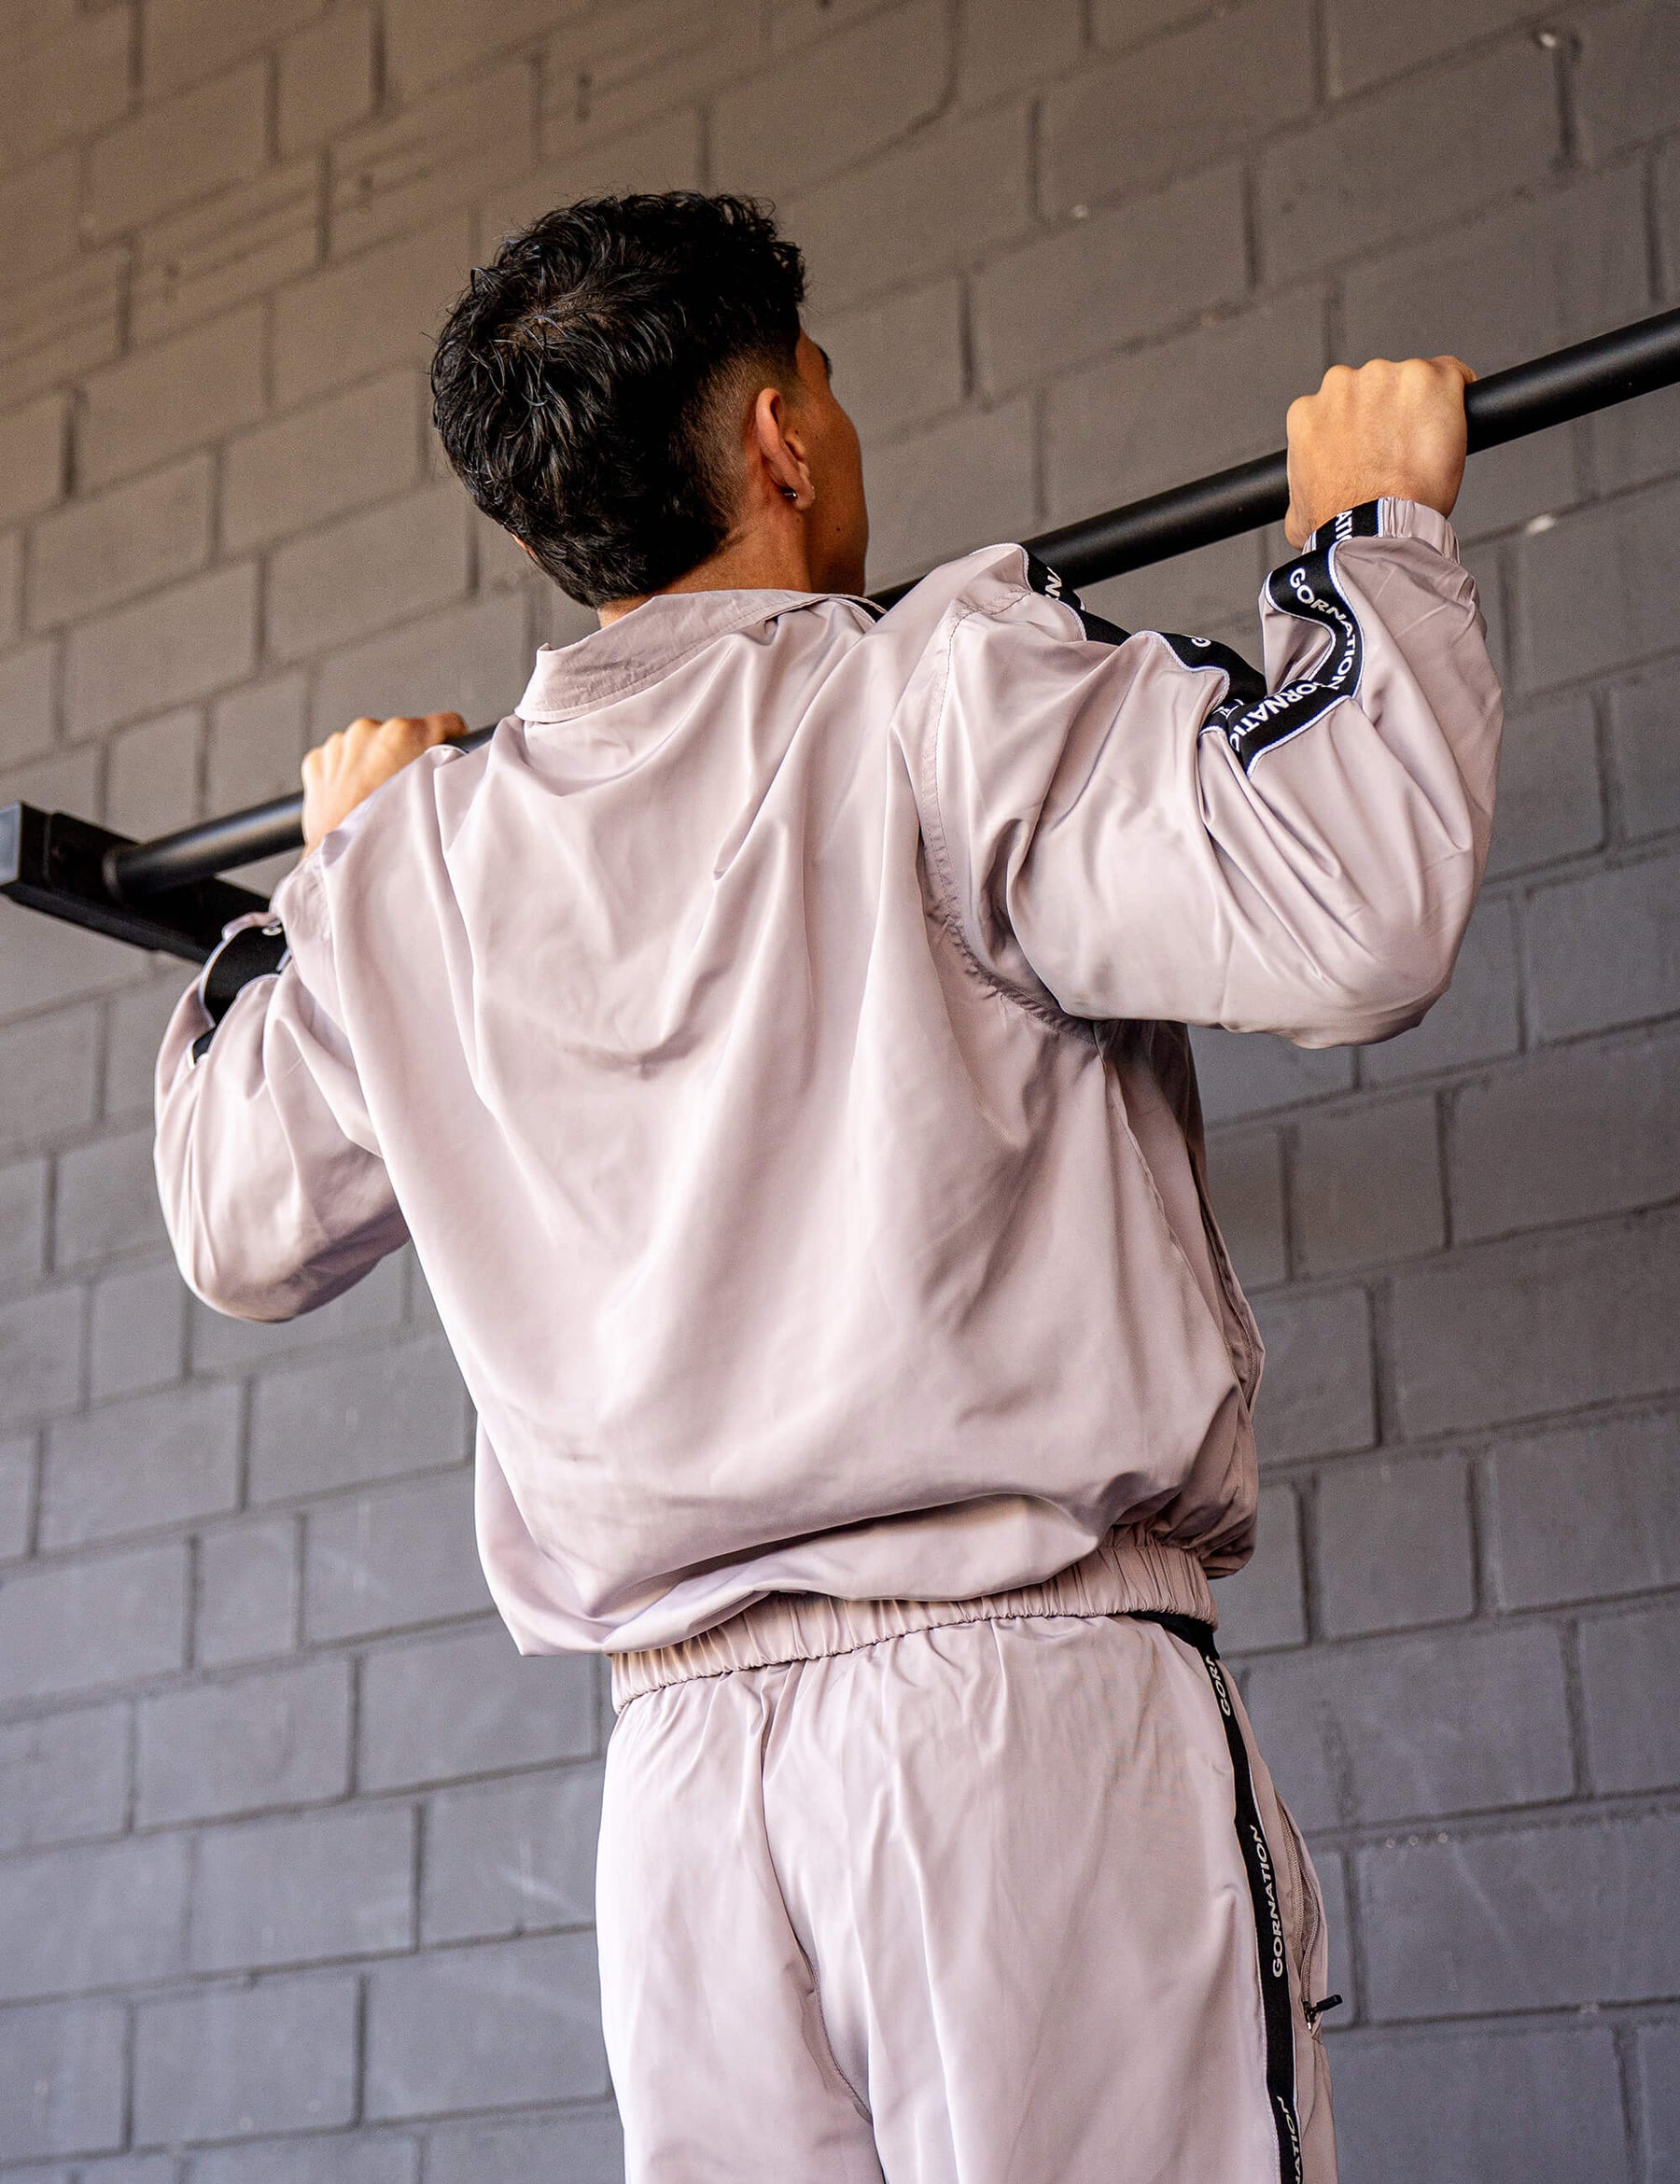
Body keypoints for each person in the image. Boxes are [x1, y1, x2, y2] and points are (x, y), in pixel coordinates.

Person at [153, 192, 1499, 2184]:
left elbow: (233, 1219)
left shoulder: (410, 875)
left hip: (689, 1812)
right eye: (835, 399)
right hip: (1016, 1732)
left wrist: (317, 874)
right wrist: (1369, 534)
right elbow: (1353, 903)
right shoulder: (941, 687)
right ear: (785, 438)